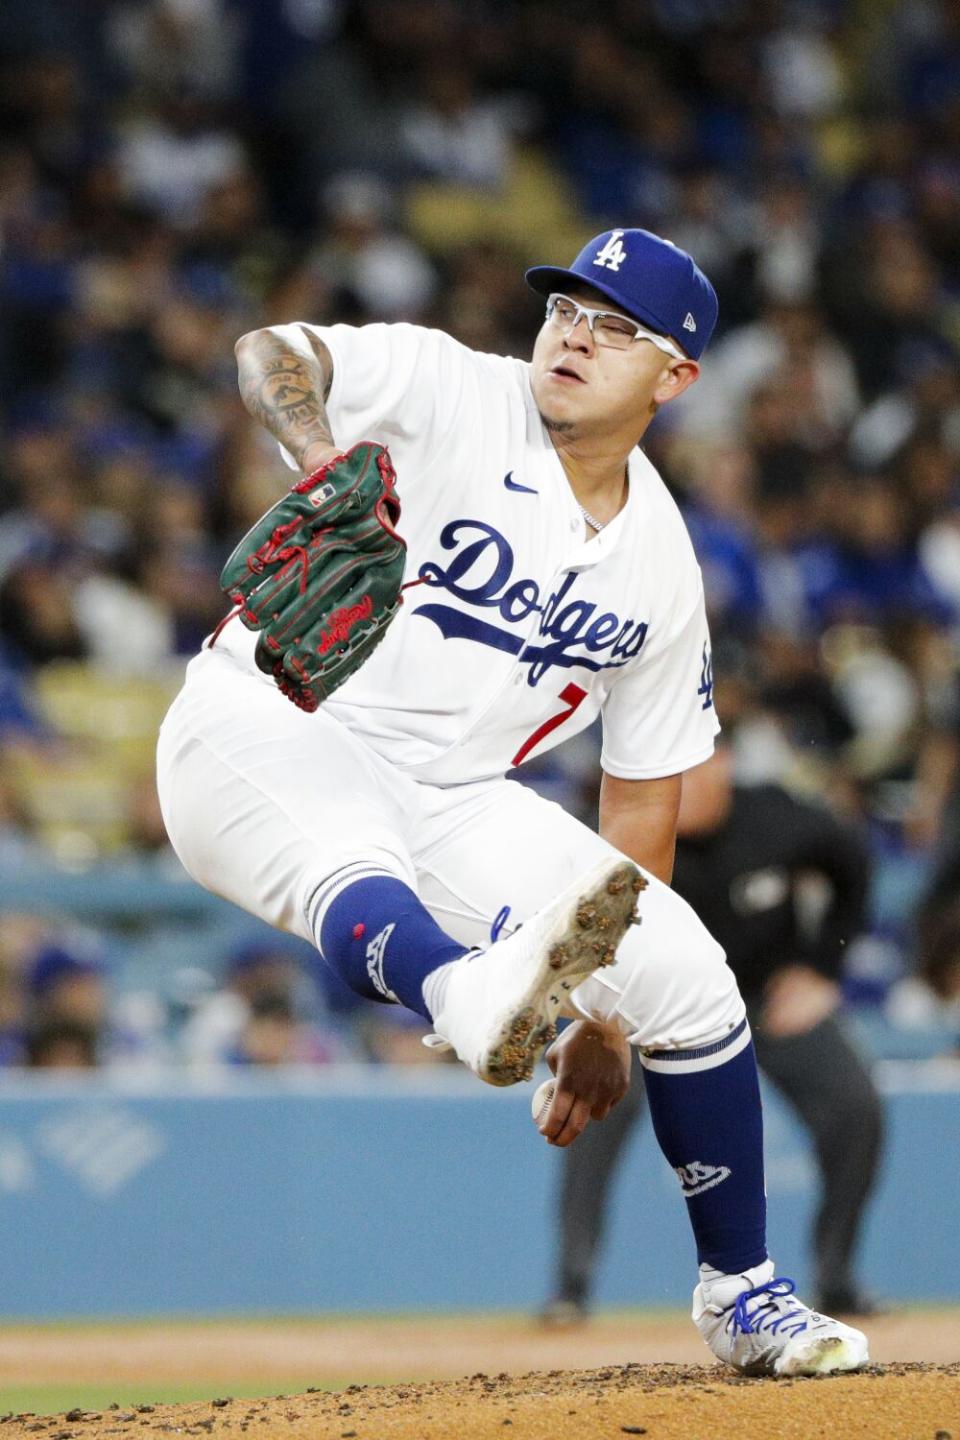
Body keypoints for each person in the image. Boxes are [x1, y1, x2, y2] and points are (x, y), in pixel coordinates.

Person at [156, 226, 869, 1376]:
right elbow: (273, 350)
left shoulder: (663, 566)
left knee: (685, 968)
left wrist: (603, 1012)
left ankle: (743, 1294)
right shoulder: (454, 389)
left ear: (678, 377)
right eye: (566, 310)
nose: (576, 335)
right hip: (266, 720)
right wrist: (318, 455)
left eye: (616, 326)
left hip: (451, 793)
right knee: (349, 852)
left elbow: (641, 811)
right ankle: (465, 990)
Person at [542, 748, 884, 1324]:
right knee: (587, 1121)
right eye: (665, 774)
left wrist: (822, 969)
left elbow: (853, 862)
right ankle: (569, 1290)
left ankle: (837, 1279)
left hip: (762, 1002)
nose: (680, 786)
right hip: (644, 1013)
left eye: (691, 771)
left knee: (857, 1109)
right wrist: (595, 1016)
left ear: (722, 764)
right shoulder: (624, 825)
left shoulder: (776, 816)